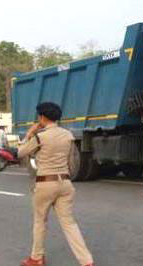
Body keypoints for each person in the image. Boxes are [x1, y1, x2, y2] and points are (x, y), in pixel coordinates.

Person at [18, 102, 94, 266]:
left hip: (45, 183)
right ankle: (87, 261)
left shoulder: (41, 136)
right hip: (65, 182)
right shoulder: (68, 135)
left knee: (40, 222)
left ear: (43, 117)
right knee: (69, 223)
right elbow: (70, 160)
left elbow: (20, 152)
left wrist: (29, 134)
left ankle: (37, 258)